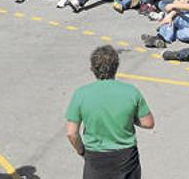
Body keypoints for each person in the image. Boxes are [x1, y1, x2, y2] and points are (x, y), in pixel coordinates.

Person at [65, 45, 154, 179]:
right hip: (126, 158)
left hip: (95, 158)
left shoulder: (81, 94)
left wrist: (82, 151)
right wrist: (131, 118)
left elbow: (72, 133)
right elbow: (148, 123)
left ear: (92, 69)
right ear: (116, 67)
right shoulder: (131, 92)